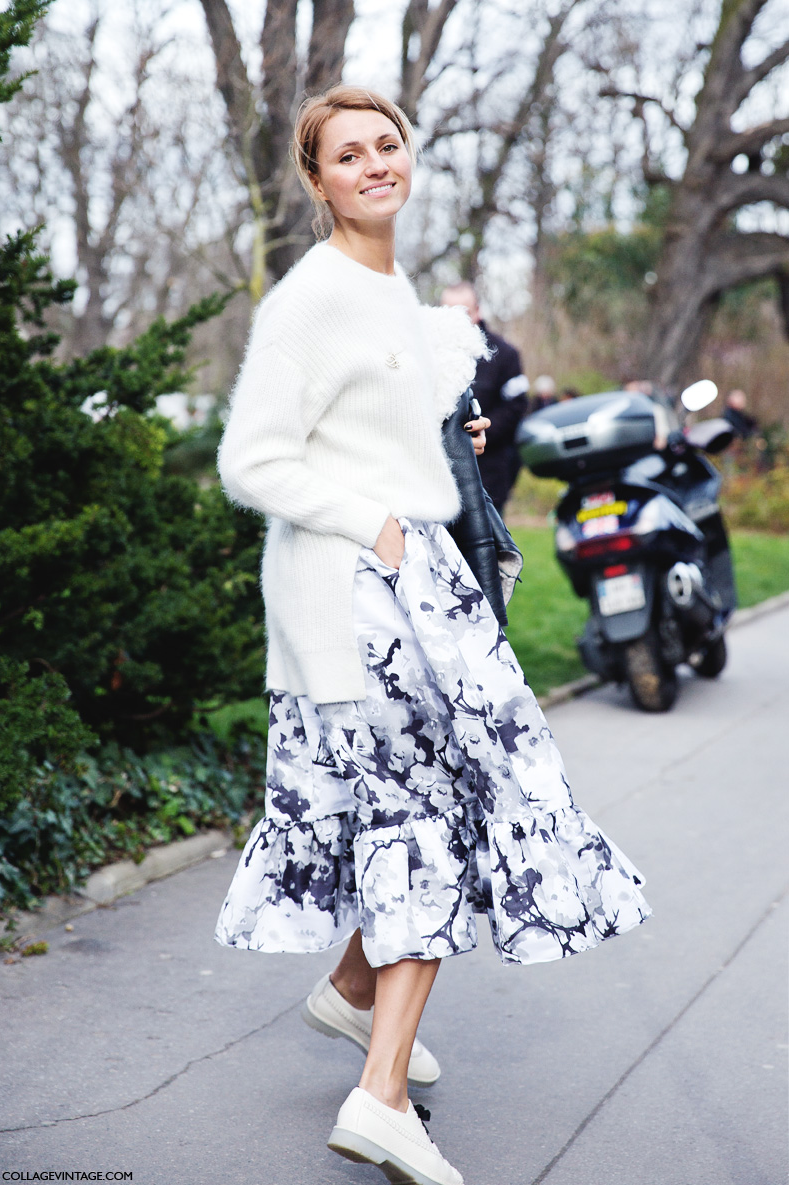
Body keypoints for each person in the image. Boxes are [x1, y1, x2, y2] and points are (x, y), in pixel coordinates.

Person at [214, 84, 650, 1185]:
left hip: (417, 591)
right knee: (427, 814)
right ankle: (382, 1097)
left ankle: (356, 996)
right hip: (360, 593)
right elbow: (255, 461)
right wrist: (378, 524)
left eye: (386, 145)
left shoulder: (387, 296)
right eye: (346, 154)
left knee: (453, 801)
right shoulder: (310, 301)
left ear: (408, 160)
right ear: (315, 182)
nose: (372, 164)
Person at [439, 282, 529, 514]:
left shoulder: (505, 354)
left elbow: (516, 406)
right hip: (439, 474)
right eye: (448, 312)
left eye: (463, 312)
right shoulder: (427, 354)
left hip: (488, 474)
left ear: (477, 311)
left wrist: (473, 434)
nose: (456, 320)